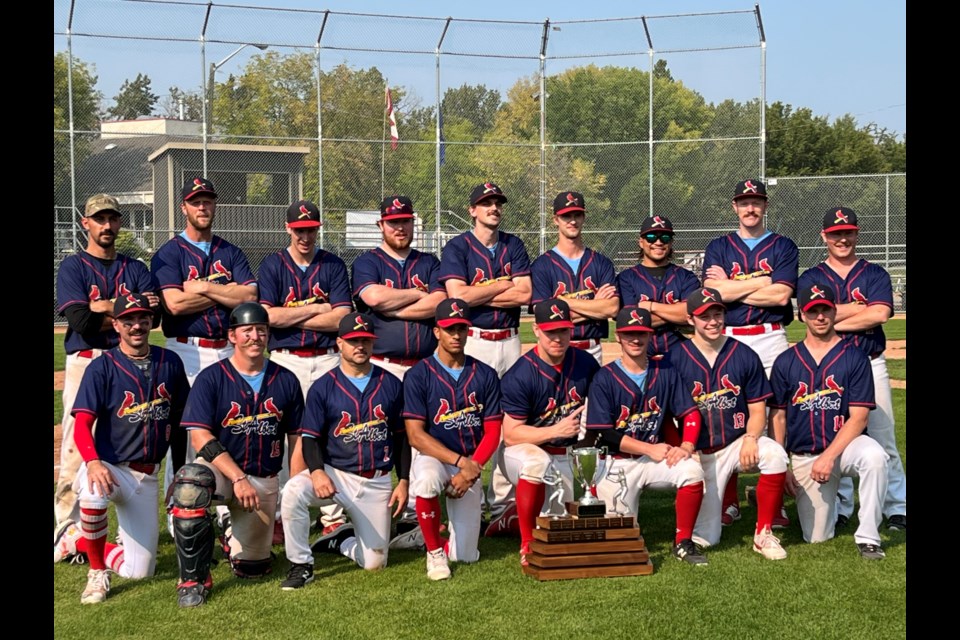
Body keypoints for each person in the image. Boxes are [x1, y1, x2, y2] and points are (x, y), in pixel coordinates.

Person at [53, 293, 189, 604]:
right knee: (92, 491)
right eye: (128, 320)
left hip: (147, 475)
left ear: (151, 322)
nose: (137, 325)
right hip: (110, 468)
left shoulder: (170, 362)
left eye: (142, 319)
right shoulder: (102, 367)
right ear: (116, 325)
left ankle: (77, 540)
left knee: (140, 571)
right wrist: (94, 463)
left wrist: (179, 473)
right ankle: (97, 572)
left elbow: (181, 423)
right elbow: (83, 424)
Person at [170, 303, 304, 606]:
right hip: (224, 473)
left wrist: (295, 487)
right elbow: (200, 436)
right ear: (232, 336)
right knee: (191, 483)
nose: (255, 337)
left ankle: (230, 531)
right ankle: (193, 580)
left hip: (262, 482)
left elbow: (296, 439)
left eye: (261, 330)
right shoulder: (211, 377)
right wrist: (238, 477)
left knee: (253, 568)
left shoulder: (286, 379)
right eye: (247, 331)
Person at [151, 177, 259, 527]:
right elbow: (175, 304)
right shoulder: (170, 253)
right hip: (186, 351)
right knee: (184, 433)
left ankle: (227, 508)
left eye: (208, 201)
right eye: (196, 202)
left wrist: (205, 286)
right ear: (184, 207)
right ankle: (178, 510)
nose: (202, 207)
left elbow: (250, 297)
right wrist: (225, 290)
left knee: (230, 425)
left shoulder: (230, 251)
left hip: (228, 348)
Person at [278, 313, 409, 589]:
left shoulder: (391, 384)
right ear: (339, 344)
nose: (359, 346)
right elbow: (310, 438)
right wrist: (316, 472)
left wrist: (404, 480)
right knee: (292, 491)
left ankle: (340, 539)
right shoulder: (323, 387)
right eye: (352, 340)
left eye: (365, 340)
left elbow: (401, 438)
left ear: (373, 344)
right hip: (335, 473)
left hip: (376, 479)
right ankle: (301, 564)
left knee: (374, 563)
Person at [54, 193, 159, 535]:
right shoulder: (73, 266)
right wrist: (126, 309)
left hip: (127, 361)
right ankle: (67, 529)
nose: (107, 225)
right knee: (75, 444)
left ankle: (125, 526)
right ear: (86, 223)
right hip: (87, 359)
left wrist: (101, 306)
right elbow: (80, 321)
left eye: (112, 218)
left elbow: (151, 319)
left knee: (128, 438)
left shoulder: (135, 267)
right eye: (99, 219)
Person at [798, 207, 905, 532]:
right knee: (834, 437)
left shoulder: (874, 274)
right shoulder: (812, 277)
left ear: (856, 234)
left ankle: (897, 506)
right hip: (829, 369)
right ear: (824, 236)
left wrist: (833, 323)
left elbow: (879, 315)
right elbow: (809, 315)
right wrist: (856, 308)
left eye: (847, 232)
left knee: (884, 438)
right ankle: (842, 505)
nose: (842, 238)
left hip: (869, 363)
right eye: (835, 233)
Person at [351, 195, 448, 549]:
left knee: (424, 436)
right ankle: (371, 509)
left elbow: (439, 301)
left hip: (423, 366)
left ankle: (418, 510)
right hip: (382, 364)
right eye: (393, 222)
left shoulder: (429, 261)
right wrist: (413, 295)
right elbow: (374, 299)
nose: (400, 227)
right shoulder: (368, 261)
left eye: (405, 221)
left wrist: (398, 309)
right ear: (381, 225)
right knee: (379, 436)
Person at [438, 181, 532, 537]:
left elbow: (527, 292)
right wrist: (501, 285)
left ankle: (503, 504)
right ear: (472, 210)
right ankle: (470, 501)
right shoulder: (458, 247)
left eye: (497, 202)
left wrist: (482, 294)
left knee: (511, 420)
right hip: (474, 341)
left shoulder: (514, 244)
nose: (493, 207)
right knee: (471, 420)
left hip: (509, 341)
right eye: (486, 203)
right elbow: (457, 298)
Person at [702, 179, 797, 528]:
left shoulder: (784, 246)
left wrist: (732, 288)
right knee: (725, 411)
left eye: (756, 201)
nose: (750, 208)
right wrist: (761, 282)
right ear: (734, 207)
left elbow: (781, 297)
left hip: (770, 337)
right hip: (727, 336)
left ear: (765, 205)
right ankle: (728, 501)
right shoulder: (719, 246)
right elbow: (713, 295)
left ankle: (772, 500)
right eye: (744, 202)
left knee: (775, 413)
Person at [769, 284, 888, 560]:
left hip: (844, 449)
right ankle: (834, 503)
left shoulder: (854, 357)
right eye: (813, 311)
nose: (820, 317)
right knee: (816, 538)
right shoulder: (786, 361)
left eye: (825, 310)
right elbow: (778, 415)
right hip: (805, 455)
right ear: (802, 315)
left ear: (835, 312)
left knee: (876, 457)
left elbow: (859, 417)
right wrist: (781, 465)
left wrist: (830, 456)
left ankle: (869, 536)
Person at [258, 199, 352, 543]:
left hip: (327, 356)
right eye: (299, 230)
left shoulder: (331, 264)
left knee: (329, 431)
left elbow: (343, 317)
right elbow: (268, 316)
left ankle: (332, 513)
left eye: (310, 229)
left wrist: (292, 313)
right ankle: (287, 509)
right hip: (285, 358)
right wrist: (318, 310)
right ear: (288, 229)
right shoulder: (273, 265)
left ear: (318, 229)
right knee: (285, 433)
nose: (305, 236)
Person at [671, 288, 789, 560]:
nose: (712, 321)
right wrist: (684, 448)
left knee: (775, 455)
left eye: (718, 314)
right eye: (704, 317)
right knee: (706, 539)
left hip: (736, 441)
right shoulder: (676, 358)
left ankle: (764, 533)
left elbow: (758, 408)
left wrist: (751, 437)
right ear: (690, 320)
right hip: (698, 452)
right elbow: (668, 413)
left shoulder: (743, 354)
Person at [586, 306, 708, 566]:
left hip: (654, 459)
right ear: (618, 336)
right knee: (620, 543)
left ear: (650, 335)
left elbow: (690, 413)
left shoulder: (665, 372)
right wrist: (647, 448)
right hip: (617, 462)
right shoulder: (604, 378)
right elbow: (603, 431)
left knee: (692, 471)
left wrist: (686, 445)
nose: (635, 339)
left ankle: (683, 541)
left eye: (641, 333)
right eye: (629, 333)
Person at [402, 299, 503, 580]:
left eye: (461, 328)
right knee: (425, 480)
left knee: (465, 556)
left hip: (470, 463)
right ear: (437, 332)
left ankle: (423, 535)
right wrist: (461, 463)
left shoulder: (485, 374)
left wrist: (471, 470)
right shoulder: (418, 374)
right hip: (435, 457)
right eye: (449, 329)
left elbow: (493, 430)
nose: (456, 335)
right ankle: (433, 551)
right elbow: (415, 436)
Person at [498, 298, 600, 566]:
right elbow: (511, 435)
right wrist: (555, 429)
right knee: (537, 463)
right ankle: (526, 543)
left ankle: (510, 519)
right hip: (523, 452)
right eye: (550, 331)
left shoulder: (585, 363)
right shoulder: (521, 374)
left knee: (566, 528)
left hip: (566, 454)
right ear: (537, 331)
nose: (558, 338)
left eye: (563, 330)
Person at [530, 191, 618, 364]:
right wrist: (595, 307)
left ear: (584, 217)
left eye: (577, 214)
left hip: (592, 349)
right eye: (566, 216)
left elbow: (612, 309)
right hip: (556, 350)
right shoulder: (541, 266)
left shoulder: (601, 263)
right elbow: (545, 315)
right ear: (556, 220)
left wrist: (562, 301)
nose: (572, 220)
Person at [615, 214, 700, 358]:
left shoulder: (686, 277)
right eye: (651, 237)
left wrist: (650, 306)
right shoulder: (625, 279)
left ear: (671, 242)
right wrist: (675, 313)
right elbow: (631, 322)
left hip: (680, 357)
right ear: (641, 242)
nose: (658, 242)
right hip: (641, 358)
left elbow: (690, 315)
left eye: (665, 237)